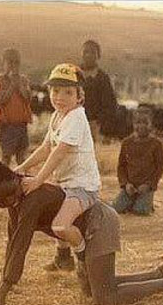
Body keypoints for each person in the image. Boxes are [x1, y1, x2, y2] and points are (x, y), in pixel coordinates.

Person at [0, 160, 163, 305]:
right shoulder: (16, 201)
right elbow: (13, 241)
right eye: (0, 200)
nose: (9, 200)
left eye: (11, 192)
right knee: (94, 289)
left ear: (14, 177)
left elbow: (21, 244)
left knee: (104, 297)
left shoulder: (32, 197)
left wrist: (4, 290)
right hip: (88, 228)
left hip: (98, 223)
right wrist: (6, 282)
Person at [14, 63, 100, 268]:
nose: (60, 97)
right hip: (64, 182)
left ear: (79, 96)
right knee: (49, 212)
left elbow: (59, 152)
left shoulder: (77, 117)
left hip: (81, 186)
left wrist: (38, 180)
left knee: (60, 226)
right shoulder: (57, 116)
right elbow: (46, 148)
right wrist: (22, 167)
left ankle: (83, 258)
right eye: (55, 91)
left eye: (68, 92)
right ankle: (63, 258)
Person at [113, 108, 163, 216]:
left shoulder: (156, 144)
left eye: (145, 123)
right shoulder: (126, 143)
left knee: (141, 211)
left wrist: (149, 185)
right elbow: (121, 166)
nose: (141, 126)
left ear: (151, 124)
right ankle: (134, 202)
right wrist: (126, 184)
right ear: (133, 124)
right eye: (138, 122)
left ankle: (145, 203)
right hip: (130, 186)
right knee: (116, 208)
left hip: (146, 187)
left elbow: (159, 168)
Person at [0, 48, 32, 166]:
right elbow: (0, 100)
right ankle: (3, 176)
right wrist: (12, 85)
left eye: (16, 63)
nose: (13, 66)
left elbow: (28, 98)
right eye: (10, 63)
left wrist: (19, 85)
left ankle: (21, 176)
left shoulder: (23, 80)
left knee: (21, 156)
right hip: (6, 124)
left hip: (21, 123)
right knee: (6, 156)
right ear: (4, 63)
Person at [80, 39, 118, 141]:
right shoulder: (74, 74)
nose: (88, 55)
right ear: (81, 54)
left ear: (98, 56)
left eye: (92, 52)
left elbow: (110, 104)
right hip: (73, 122)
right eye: (85, 52)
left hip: (94, 125)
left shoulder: (102, 78)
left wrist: (99, 123)